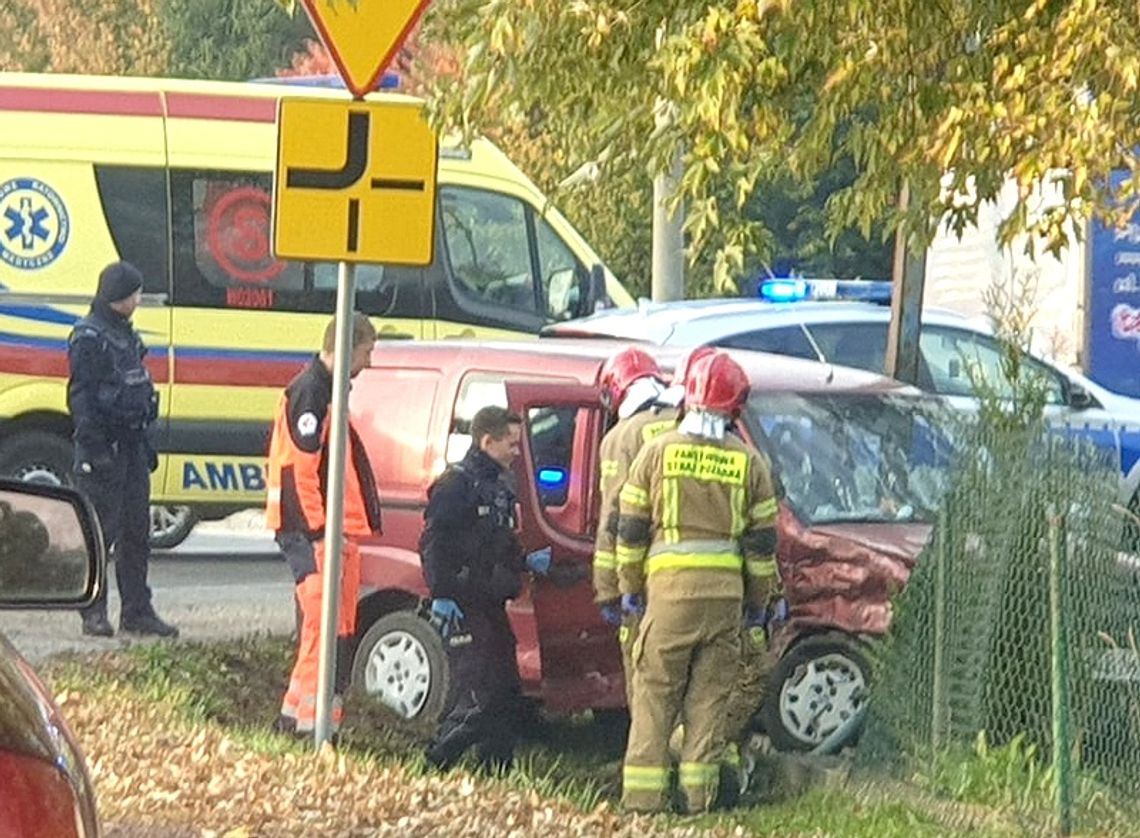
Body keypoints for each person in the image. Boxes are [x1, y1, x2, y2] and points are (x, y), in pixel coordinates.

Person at [616, 350, 780, 814]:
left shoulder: (655, 453)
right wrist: (757, 604)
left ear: (687, 397)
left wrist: (630, 589)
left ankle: (644, 804)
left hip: (667, 600)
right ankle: (698, 801)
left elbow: (628, 532)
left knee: (653, 701)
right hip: (725, 603)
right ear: (734, 407)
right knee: (709, 706)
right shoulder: (750, 464)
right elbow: (762, 548)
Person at [267, 312, 383, 737]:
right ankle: (307, 727)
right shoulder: (312, 393)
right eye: (367, 351)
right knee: (323, 626)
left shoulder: (324, 392)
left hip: (328, 533)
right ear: (349, 346)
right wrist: (319, 530)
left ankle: (304, 723)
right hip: (314, 532)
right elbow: (300, 468)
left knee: (334, 629)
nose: (369, 362)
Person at [421, 405, 551, 772]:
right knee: (480, 694)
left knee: (507, 691)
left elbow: (498, 540)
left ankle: (495, 770)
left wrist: (525, 562)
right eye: (510, 444)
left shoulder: (501, 485)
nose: (516, 452)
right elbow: (434, 543)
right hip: (463, 602)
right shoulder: (455, 484)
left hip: (491, 601)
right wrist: (442, 595)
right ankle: (435, 762)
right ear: (487, 440)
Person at [68, 261, 176, 638]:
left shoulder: (124, 333)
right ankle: (92, 612)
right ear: (119, 296)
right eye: (134, 292)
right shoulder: (89, 337)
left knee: (136, 533)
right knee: (100, 534)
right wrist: (96, 450)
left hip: (131, 447)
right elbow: (82, 398)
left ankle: (137, 610)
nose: (139, 298)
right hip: (103, 451)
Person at [592, 347, 678, 705]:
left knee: (646, 685)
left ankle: (652, 756)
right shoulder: (684, 421)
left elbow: (615, 515)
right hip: (702, 577)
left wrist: (608, 588)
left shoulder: (622, 437)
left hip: (643, 578)